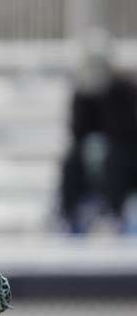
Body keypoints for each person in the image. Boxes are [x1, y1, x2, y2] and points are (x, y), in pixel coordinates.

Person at [58, 30, 137, 233]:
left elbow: (128, 129)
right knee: (71, 161)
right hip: (94, 152)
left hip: (126, 152)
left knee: (116, 158)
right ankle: (69, 214)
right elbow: (77, 131)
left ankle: (114, 213)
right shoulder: (82, 92)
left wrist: (106, 98)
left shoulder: (125, 89)